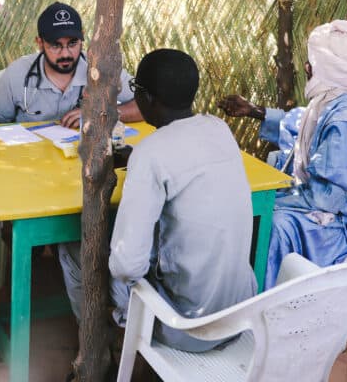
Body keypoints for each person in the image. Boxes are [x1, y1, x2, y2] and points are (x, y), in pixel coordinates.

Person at [58, 49, 257, 353]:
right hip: (239, 315)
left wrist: (137, 162)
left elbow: (127, 266)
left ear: (147, 99)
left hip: (188, 326)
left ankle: (99, 350)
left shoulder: (150, 153)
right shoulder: (219, 129)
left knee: (77, 251)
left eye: (135, 90)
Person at [219, 19, 347, 289]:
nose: (306, 67)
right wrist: (255, 111)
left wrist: (273, 202)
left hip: (336, 221)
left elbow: (327, 201)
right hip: (314, 200)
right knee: (249, 207)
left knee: (270, 225)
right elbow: (301, 124)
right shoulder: (332, 102)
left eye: (312, 63)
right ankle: (239, 291)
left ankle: (258, 305)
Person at [0, 1, 141, 135]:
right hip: (30, 166)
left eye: (73, 43)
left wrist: (101, 112)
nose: (65, 53)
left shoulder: (103, 68)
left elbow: (144, 106)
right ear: (39, 43)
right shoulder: (17, 73)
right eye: (55, 45)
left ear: (82, 37)